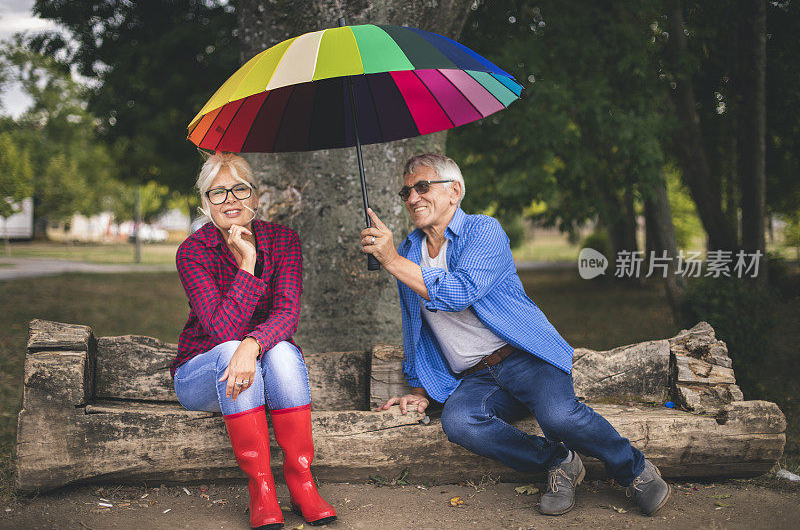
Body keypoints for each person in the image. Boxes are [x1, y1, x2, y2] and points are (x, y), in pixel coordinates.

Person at [360, 153, 670, 517]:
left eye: (423, 187)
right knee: (459, 422)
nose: (412, 198)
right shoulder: (411, 250)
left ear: (455, 190)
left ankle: (635, 470)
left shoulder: (483, 231)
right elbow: (414, 322)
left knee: (558, 417)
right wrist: (417, 391)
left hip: (525, 358)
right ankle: (560, 461)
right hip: (475, 376)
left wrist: (392, 261)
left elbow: (459, 292)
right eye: (406, 191)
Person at [170, 152, 336, 529]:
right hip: (202, 376)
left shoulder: (283, 241)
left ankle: (302, 483)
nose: (230, 200)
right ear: (205, 204)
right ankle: (262, 488)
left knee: (283, 352)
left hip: (259, 365)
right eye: (217, 193)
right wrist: (247, 264)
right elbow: (220, 332)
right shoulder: (193, 252)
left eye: (239, 189)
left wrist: (253, 345)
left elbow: (288, 313)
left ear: (256, 198)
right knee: (231, 349)